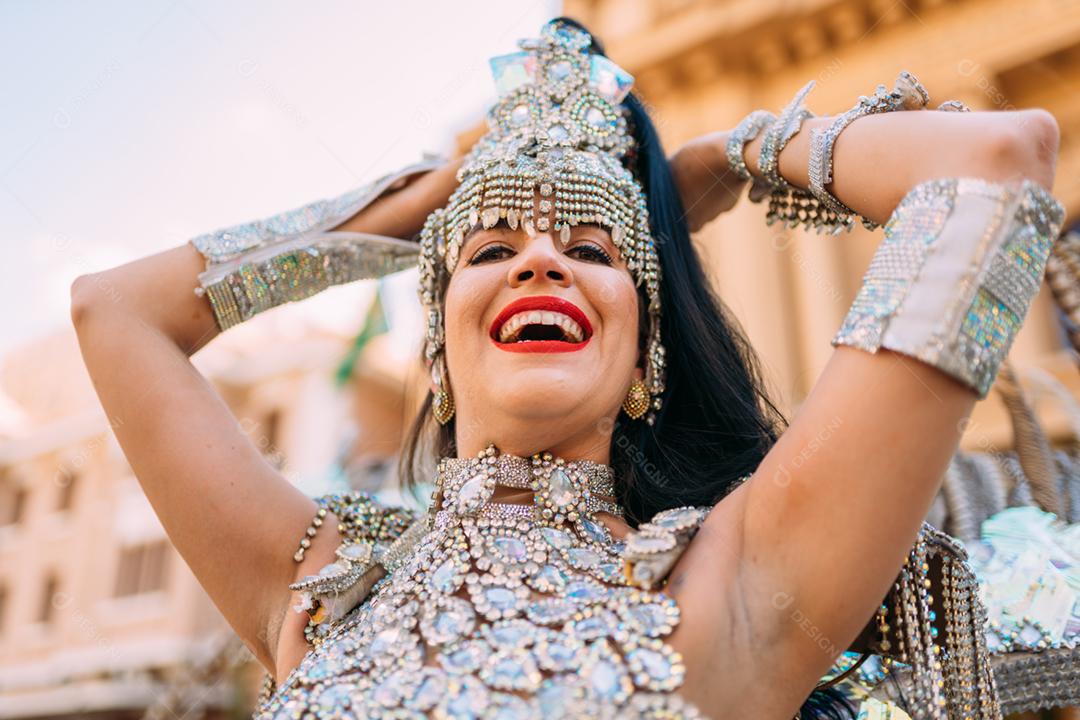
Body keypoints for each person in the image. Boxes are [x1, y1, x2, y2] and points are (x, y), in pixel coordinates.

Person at [70, 16, 1068, 720]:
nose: (541, 259)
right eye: (493, 251)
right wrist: (427, 201)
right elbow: (113, 313)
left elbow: (997, 164)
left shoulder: (736, 582)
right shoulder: (325, 587)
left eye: (593, 252)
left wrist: (731, 156)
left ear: (647, 348)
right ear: (436, 346)